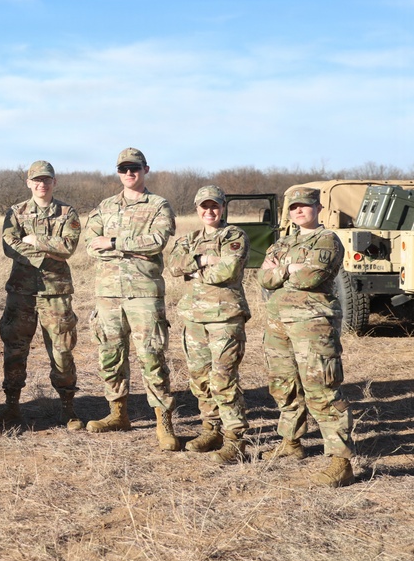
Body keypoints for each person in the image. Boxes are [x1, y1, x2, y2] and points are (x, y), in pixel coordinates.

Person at [84, 148, 179, 450]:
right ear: (117, 172)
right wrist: (130, 247)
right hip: (108, 294)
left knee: (152, 357)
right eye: (124, 168)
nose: (129, 173)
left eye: (134, 168)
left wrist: (113, 242)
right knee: (110, 357)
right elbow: (89, 245)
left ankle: (164, 423)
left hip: (143, 294)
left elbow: (156, 242)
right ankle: (118, 414)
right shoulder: (105, 206)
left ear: (145, 169)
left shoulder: (158, 205)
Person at [259, 186, 354, 487]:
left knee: (321, 388)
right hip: (279, 324)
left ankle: (341, 461)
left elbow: (311, 277)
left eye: (306, 205)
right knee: (284, 384)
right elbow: (263, 277)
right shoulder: (282, 242)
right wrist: (293, 267)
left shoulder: (327, 240)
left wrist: (282, 270)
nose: (299, 211)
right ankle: (291, 441)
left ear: (318, 208)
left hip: (312, 324)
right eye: (294, 207)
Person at [166, 185, 251, 463]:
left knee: (223, 379)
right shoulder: (189, 238)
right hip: (194, 319)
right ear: (197, 208)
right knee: (200, 379)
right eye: (204, 206)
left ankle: (235, 439)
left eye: (214, 206)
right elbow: (173, 266)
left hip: (224, 319)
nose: (209, 211)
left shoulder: (234, 235)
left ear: (223, 207)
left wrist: (193, 271)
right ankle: (210, 428)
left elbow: (228, 270)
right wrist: (202, 260)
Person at [0, 160, 82, 430]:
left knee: (62, 352)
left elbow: (68, 247)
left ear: (54, 182)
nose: (41, 184)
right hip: (22, 292)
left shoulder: (68, 212)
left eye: (46, 179)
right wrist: (48, 253)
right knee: (15, 350)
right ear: (28, 182)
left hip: (55, 293)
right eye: (36, 179)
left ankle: (67, 409)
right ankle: (12, 408)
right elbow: (10, 246)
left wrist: (35, 241)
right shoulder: (15, 212)